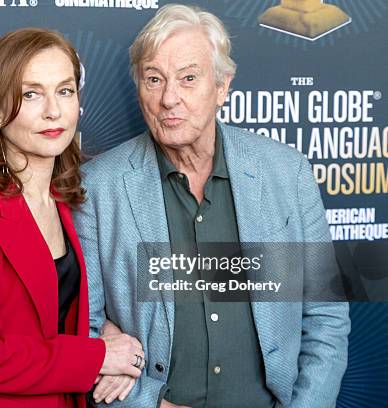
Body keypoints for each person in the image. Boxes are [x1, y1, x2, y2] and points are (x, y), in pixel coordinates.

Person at [74, 4, 350, 408]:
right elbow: (83, 333)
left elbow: (325, 321)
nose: (169, 98)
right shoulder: (98, 188)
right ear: (139, 88)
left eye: (189, 78)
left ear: (222, 86)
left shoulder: (287, 173)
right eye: (154, 79)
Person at [0, 28, 145, 408]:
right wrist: (98, 357)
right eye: (31, 94)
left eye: (65, 91)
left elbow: (59, 313)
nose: (53, 111)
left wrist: (111, 338)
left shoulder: (67, 202)